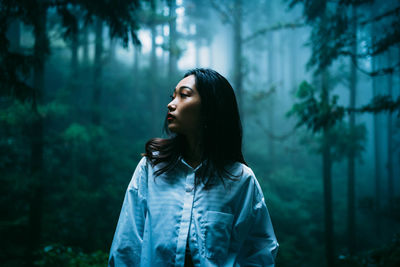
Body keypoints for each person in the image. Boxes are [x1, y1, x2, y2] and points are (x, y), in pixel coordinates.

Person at [108, 68, 278, 267]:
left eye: (184, 95)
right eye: (173, 96)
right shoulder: (151, 167)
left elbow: (260, 252)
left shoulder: (241, 180)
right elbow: (127, 245)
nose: (170, 104)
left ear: (210, 108)